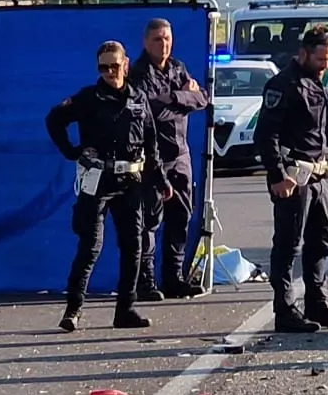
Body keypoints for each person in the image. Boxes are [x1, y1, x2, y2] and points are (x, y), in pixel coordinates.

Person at [45, 41, 168, 333]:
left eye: (115, 65)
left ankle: (125, 309)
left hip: (130, 181)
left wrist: (160, 180)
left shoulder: (138, 98)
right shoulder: (88, 98)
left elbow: (151, 142)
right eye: (104, 67)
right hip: (98, 180)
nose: (111, 72)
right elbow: (54, 120)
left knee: (133, 247)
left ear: (125, 64)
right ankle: (73, 310)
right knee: (90, 247)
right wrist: (72, 151)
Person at [253, 26, 328, 335]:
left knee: (321, 242)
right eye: (320, 58)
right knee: (287, 246)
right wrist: (277, 175)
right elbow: (265, 134)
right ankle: (284, 310)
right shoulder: (285, 85)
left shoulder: (316, 83)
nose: (324, 64)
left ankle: (316, 303)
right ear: (304, 53)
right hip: (292, 177)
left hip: (317, 176)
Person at [132, 17, 211, 300]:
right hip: (153, 157)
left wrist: (176, 98)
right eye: (157, 39)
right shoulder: (138, 73)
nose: (163, 44)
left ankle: (174, 278)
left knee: (181, 217)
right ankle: (146, 282)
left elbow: (202, 98)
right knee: (149, 221)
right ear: (146, 42)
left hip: (180, 154)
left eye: (167, 38)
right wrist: (182, 98)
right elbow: (150, 110)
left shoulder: (177, 68)